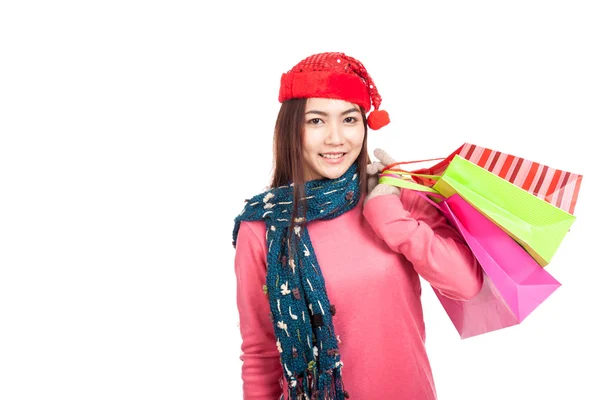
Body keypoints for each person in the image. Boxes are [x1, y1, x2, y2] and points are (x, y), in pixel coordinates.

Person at [232, 52, 483, 400]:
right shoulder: (263, 229)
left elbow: (466, 283)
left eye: (350, 119)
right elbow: (261, 354)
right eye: (316, 121)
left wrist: (386, 212)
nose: (336, 138)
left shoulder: (394, 195)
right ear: (291, 129)